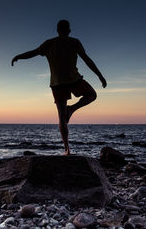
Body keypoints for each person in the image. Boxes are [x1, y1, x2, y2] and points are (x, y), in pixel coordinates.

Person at [11, 20, 107, 155]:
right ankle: (71, 110)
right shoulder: (72, 42)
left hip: (59, 83)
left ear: (57, 30)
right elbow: (87, 60)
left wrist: (18, 56)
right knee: (92, 95)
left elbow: (32, 53)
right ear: (69, 30)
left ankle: (67, 149)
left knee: (62, 117)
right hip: (72, 80)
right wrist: (100, 76)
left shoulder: (51, 43)